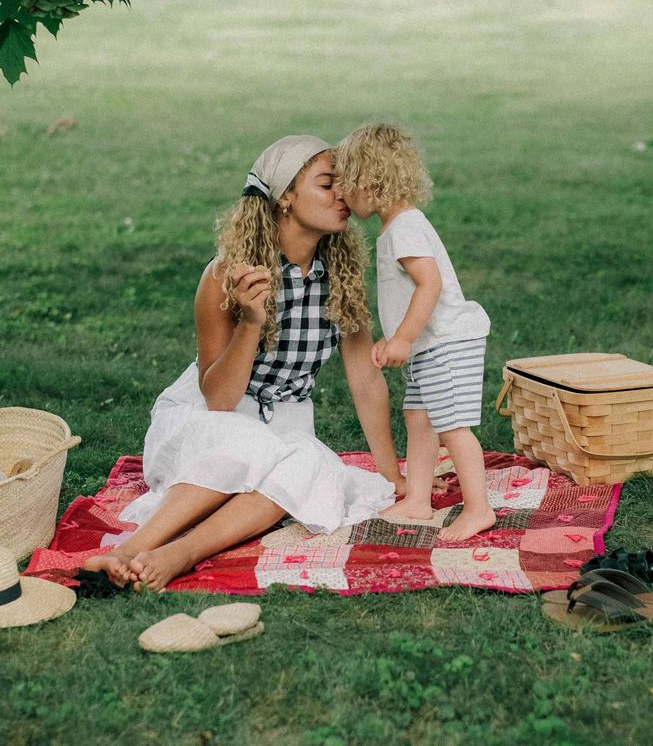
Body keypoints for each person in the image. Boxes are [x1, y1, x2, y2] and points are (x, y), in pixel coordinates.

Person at [85, 135, 404, 591]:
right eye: (328, 184)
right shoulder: (225, 275)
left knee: (308, 466)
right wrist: (251, 322)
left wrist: (393, 477)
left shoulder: (341, 276)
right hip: (208, 420)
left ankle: (178, 554)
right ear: (286, 199)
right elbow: (217, 400)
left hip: (285, 429)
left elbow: (365, 380)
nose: (344, 196)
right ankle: (126, 551)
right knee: (253, 449)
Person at [334, 123, 495, 542]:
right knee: (418, 417)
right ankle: (419, 500)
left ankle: (479, 508)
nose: (342, 197)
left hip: (445, 341)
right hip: (428, 343)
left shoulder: (405, 228)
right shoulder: (397, 227)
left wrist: (403, 338)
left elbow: (430, 283)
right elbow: (409, 295)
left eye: (345, 184)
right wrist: (396, 337)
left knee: (451, 424)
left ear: (367, 181)